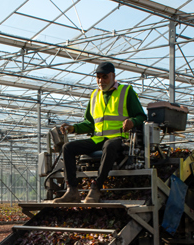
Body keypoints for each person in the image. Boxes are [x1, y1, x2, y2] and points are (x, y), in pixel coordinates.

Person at [52, 62, 147, 203]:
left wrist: (132, 121)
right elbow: (90, 123)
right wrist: (74, 128)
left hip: (120, 138)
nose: (101, 81)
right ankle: (72, 190)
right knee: (68, 148)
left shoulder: (126, 91)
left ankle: (96, 187)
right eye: (98, 77)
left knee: (109, 146)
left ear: (113, 76)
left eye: (105, 77)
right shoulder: (94, 95)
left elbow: (142, 116)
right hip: (98, 139)